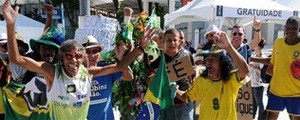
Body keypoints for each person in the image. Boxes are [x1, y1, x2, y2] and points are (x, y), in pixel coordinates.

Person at [3, 0, 156, 119]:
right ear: (61, 58)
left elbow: (120, 66)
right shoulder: (51, 71)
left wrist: (140, 47)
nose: (74, 60)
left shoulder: (88, 72)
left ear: (82, 58)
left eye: (77, 56)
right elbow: (16, 59)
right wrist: (10, 25)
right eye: (69, 56)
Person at [176, 31, 249, 120]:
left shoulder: (231, 80)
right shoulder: (201, 80)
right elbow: (186, 97)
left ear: (223, 63)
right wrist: (174, 89)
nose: (209, 62)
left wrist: (229, 47)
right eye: (207, 59)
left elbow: (244, 71)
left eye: (213, 59)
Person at [82, 35, 134, 120]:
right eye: (87, 51)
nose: (92, 55)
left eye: (95, 51)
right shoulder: (75, 73)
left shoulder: (108, 68)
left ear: (99, 53)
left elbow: (129, 77)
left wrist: (121, 59)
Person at [151, 28, 194, 120]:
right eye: (169, 40)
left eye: (175, 40)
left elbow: (191, 77)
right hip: (166, 105)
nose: (172, 43)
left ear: (180, 41)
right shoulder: (157, 62)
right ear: (164, 41)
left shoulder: (186, 55)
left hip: (185, 104)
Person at [266, 16, 300, 120]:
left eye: (294, 28)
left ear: (299, 29)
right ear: (284, 28)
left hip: (296, 93)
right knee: (270, 118)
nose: (290, 31)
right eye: (288, 28)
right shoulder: (278, 42)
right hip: (276, 91)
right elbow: (273, 64)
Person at [249, 39, 267, 120]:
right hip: (252, 83)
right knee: (254, 103)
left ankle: (261, 118)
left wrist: (253, 67)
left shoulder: (263, 57)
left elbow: (262, 71)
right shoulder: (255, 55)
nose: (254, 47)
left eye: (255, 45)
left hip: (259, 84)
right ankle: (252, 117)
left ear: (259, 47)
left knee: (259, 103)